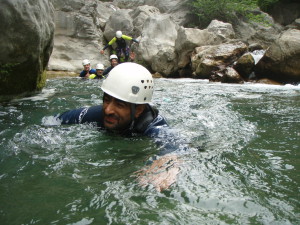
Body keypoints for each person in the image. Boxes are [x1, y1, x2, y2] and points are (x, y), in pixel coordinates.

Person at [58, 62, 180, 191]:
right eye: (106, 100)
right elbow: (57, 119)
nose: (108, 110)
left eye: (119, 105)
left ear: (138, 110)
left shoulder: (153, 125)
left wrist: (168, 162)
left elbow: (174, 144)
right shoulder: (98, 114)